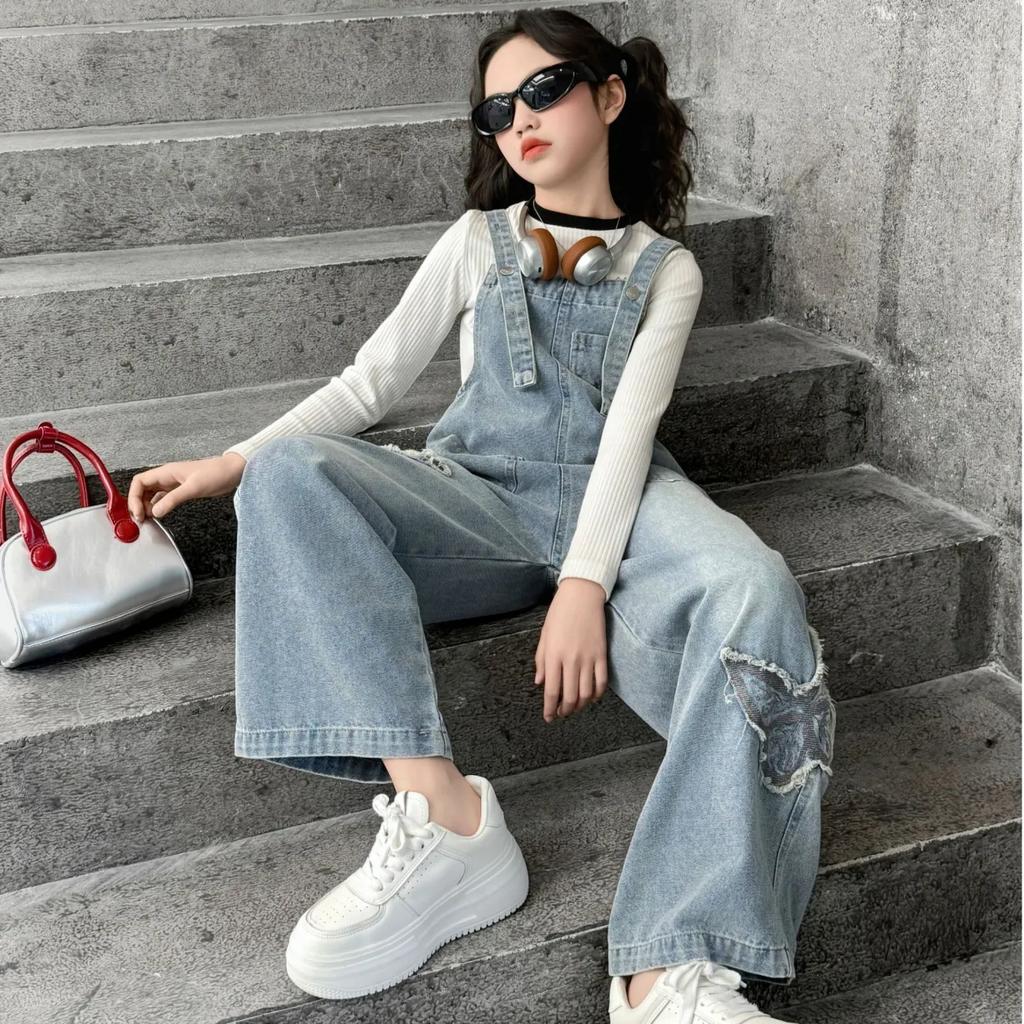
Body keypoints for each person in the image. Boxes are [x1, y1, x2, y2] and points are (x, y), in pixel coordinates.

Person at [127, 9, 837, 1022]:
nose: (521, 121)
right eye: (498, 111)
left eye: (542, 91)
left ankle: (665, 972)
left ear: (609, 94)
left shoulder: (666, 269)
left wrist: (584, 585)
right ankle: (446, 816)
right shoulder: (477, 242)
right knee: (287, 475)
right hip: (477, 498)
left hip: (624, 500)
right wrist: (231, 461)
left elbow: (628, 434)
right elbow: (368, 384)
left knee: (754, 587)